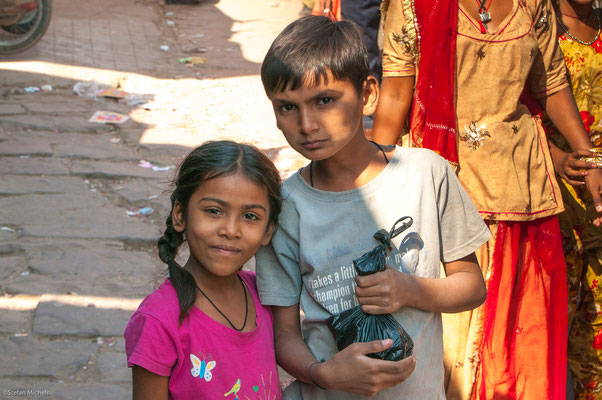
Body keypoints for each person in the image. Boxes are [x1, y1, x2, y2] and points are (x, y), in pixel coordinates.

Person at [371, 0, 602, 399]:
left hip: (524, 201)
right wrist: (370, 190)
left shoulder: (533, 4)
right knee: (455, 360)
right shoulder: (412, 5)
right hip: (447, 207)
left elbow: (551, 83)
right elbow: (394, 97)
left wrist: (590, 158)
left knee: (520, 360)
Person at [256, 15, 491, 399]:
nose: (307, 124)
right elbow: (284, 336)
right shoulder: (285, 208)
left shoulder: (426, 174)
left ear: (367, 94)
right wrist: (324, 374)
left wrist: (411, 290)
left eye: (325, 101)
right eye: (287, 107)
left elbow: (471, 286)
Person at [124, 141, 283, 400]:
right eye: (213, 211)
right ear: (180, 214)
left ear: (268, 231)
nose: (230, 230)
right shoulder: (159, 321)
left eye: (250, 216)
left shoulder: (264, 295)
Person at [543, 1, 602, 397]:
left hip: (599, 213)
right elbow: (509, 115)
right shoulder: (538, 27)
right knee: (547, 331)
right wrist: (560, 158)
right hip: (551, 206)